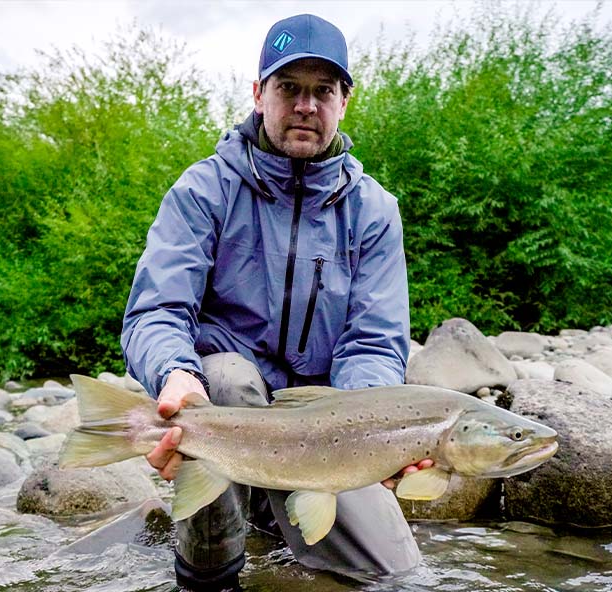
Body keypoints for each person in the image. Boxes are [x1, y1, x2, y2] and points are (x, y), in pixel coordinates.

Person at [121, 13, 430, 590]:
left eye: (323, 90)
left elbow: (375, 341)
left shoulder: (373, 210)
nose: (306, 105)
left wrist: (377, 435)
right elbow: (157, 310)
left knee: (396, 578)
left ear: (345, 101)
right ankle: (209, 573)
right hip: (225, 406)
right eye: (290, 87)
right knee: (228, 382)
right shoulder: (203, 189)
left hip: (324, 423)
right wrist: (174, 374)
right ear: (259, 94)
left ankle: (269, 505)